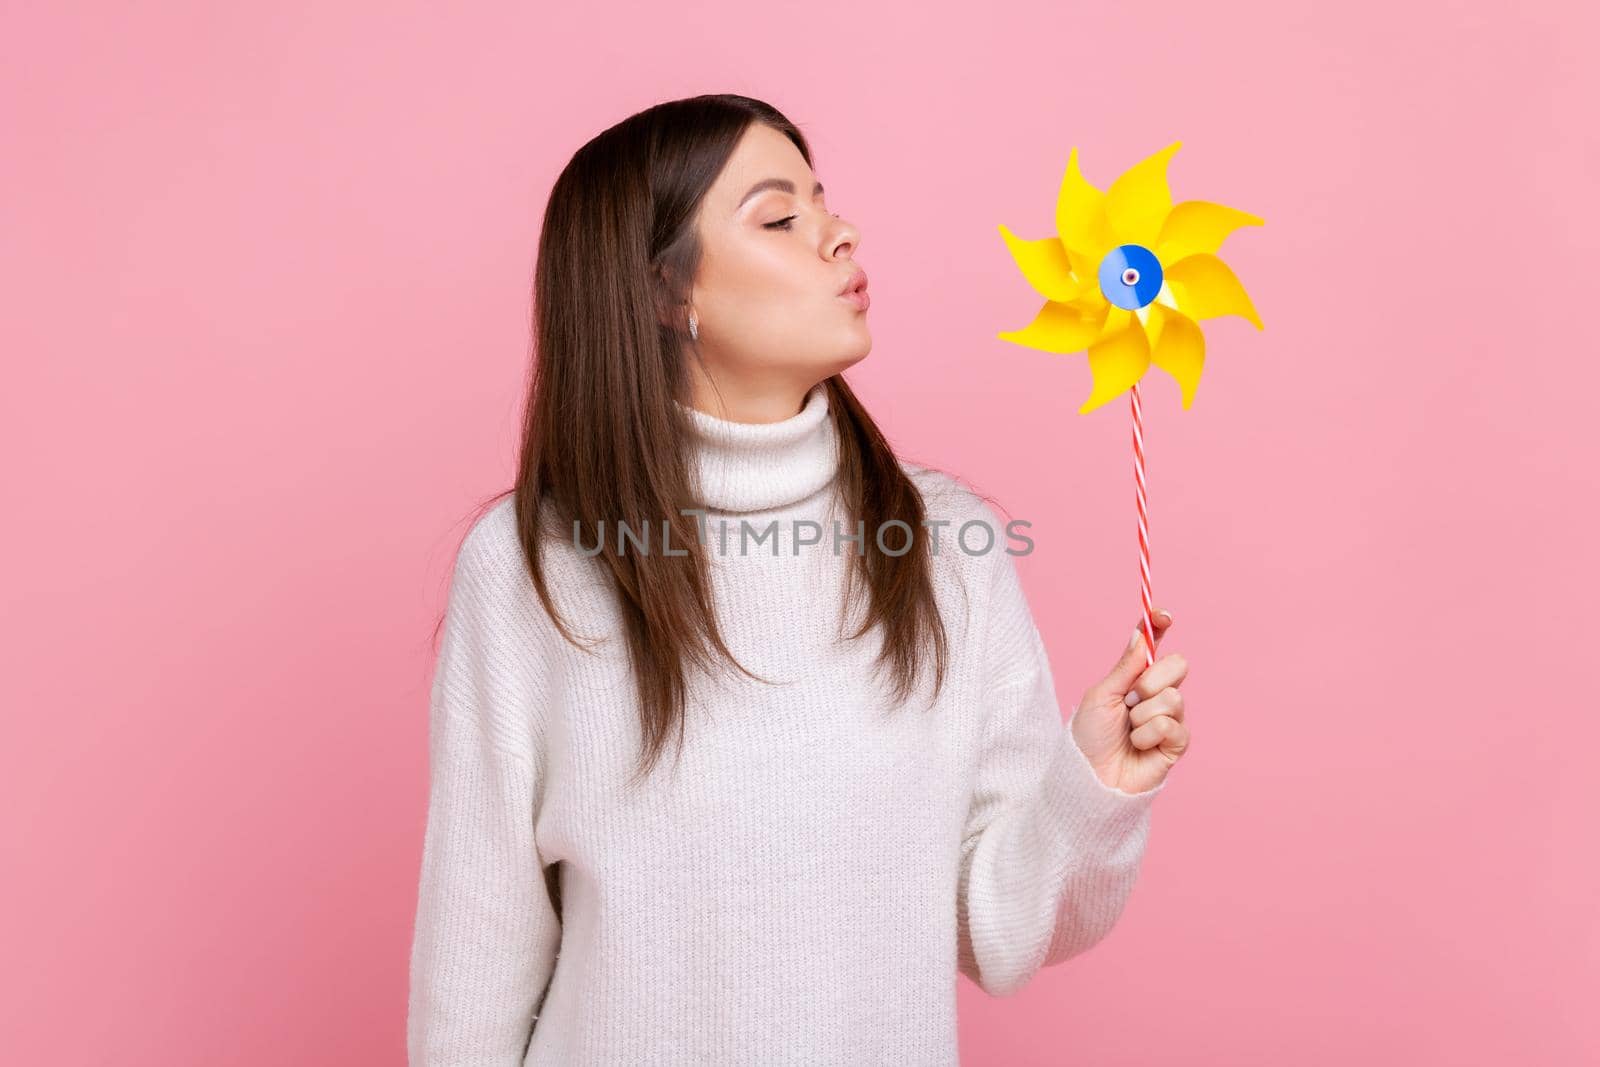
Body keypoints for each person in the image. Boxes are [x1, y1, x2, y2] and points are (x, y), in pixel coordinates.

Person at [406, 93, 1191, 1066]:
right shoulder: (531, 568)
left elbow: (999, 925)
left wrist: (1095, 784)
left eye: (823, 202)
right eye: (780, 217)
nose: (839, 232)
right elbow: (474, 972)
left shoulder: (948, 546)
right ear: (664, 292)